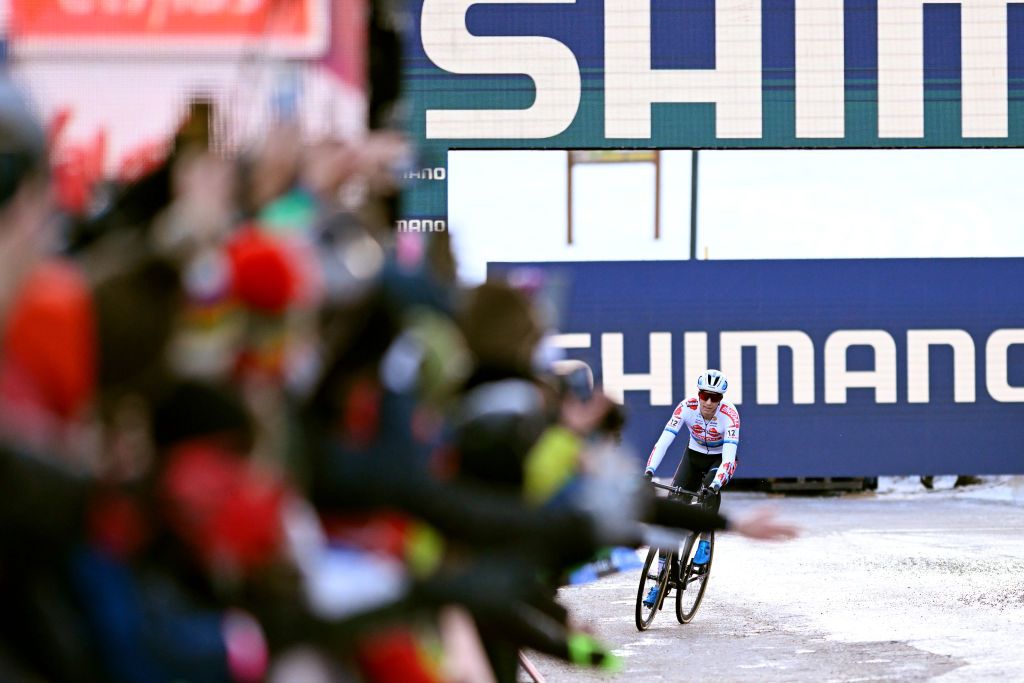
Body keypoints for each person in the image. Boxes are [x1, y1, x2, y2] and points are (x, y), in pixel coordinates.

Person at [642, 369, 739, 607]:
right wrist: (649, 471)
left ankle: (705, 539)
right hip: (693, 457)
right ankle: (660, 580)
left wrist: (716, 484)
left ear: (721, 399)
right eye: (704, 395)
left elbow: (729, 456)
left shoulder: (730, 415)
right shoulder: (686, 407)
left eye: (714, 397)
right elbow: (664, 440)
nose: (708, 402)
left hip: (718, 461)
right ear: (698, 394)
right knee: (671, 512)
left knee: (710, 493)